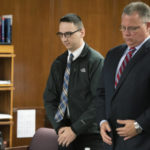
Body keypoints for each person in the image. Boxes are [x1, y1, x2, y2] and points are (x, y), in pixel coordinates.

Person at [44, 13, 104, 150]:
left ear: (82, 32)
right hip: (64, 134)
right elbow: (49, 99)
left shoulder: (96, 61)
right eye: (61, 34)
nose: (64, 38)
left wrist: (75, 129)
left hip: (89, 134)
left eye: (69, 34)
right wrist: (59, 127)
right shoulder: (59, 63)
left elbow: (99, 101)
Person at [96, 2, 150, 150]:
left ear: (148, 26)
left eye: (132, 28)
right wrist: (101, 121)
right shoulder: (113, 54)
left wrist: (140, 125)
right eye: (123, 27)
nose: (126, 33)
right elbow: (101, 93)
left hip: (141, 141)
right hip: (109, 142)